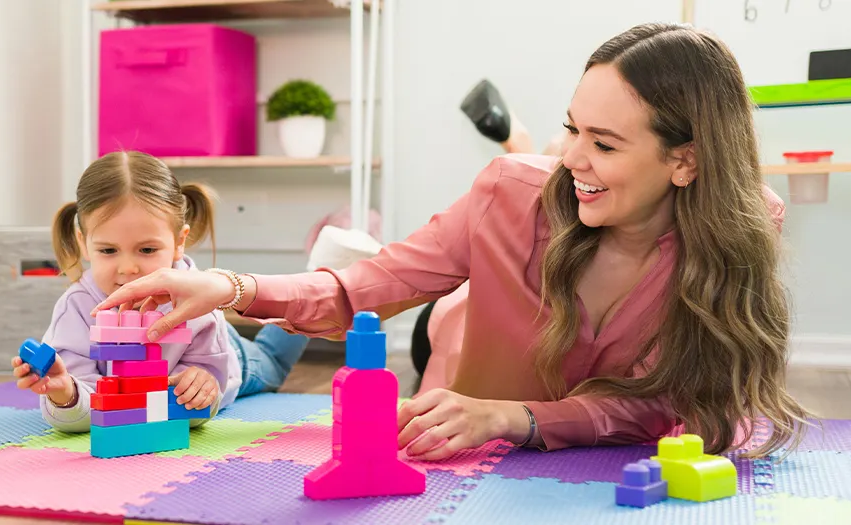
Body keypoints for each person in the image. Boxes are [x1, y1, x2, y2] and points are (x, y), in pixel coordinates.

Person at [92, 22, 808, 460]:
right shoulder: (511, 192)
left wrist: (521, 419)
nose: (575, 155)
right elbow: (367, 286)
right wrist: (234, 288)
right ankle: (464, 287)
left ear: (686, 160)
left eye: (605, 142)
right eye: (572, 129)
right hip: (464, 343)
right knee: (448, 290)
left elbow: (678, 401)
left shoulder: (742, 225)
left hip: (523, 395)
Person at [12, 151, 311, 431]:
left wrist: (200, 385)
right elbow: (83, 401)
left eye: (146, 249)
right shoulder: (76, 307)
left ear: (179, 242)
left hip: (232, 357)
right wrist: (66, 393)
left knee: (273, 359)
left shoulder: (195, 300)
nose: (128, 267)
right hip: (158, 376)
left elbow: (203, 396)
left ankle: (312, 285)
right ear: (83, 242)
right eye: (108, 250)